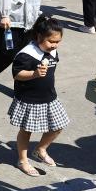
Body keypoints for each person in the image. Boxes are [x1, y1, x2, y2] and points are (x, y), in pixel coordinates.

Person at [8, 15, 67, 176]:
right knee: (26, 130)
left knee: (58, 126)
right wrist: (34, 74)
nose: (54, 45)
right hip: (29, 99)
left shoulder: (52, 51)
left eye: (58, 41)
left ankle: (40, 149)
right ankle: (22, 160)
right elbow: (17, 74)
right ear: (39, 36)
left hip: (49, 97)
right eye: (51, 41)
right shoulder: (27, 54)